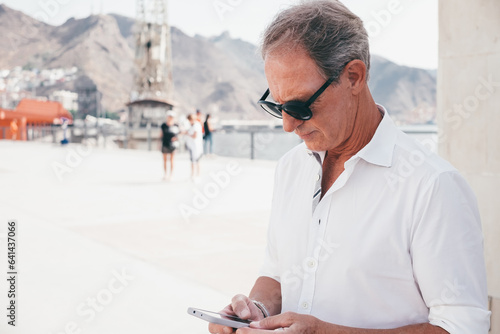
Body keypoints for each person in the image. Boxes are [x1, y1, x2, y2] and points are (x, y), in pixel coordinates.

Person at [209, 1, 490, 334]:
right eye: (278, 106)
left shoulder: (432, 186)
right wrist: (255, 311)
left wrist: (321, 332)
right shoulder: (290, 168)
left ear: (354, 76)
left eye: (299, 105)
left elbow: (462, 327)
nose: (287, 125)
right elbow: (277, 273)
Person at [159, 112, 180, 180]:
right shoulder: (163, 125)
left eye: (171, 117)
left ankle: (171, 174)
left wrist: (176, 138)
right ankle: (165, 174)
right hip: (165, 143)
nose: (170, 118)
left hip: (173, 145)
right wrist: (159, 143)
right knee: (165, 160)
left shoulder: (176, 125)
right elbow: (161, 135)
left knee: (172, 160)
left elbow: (179, 134)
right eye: (169, 116)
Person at [185, 113, 203, 180]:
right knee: (195, 161)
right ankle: (194, 174)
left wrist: (187, 134)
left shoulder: (196, 125)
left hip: (195, 146)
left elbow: (194, 136)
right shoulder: (192, 125)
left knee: (195, 161)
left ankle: (195, 175)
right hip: (192, 146)